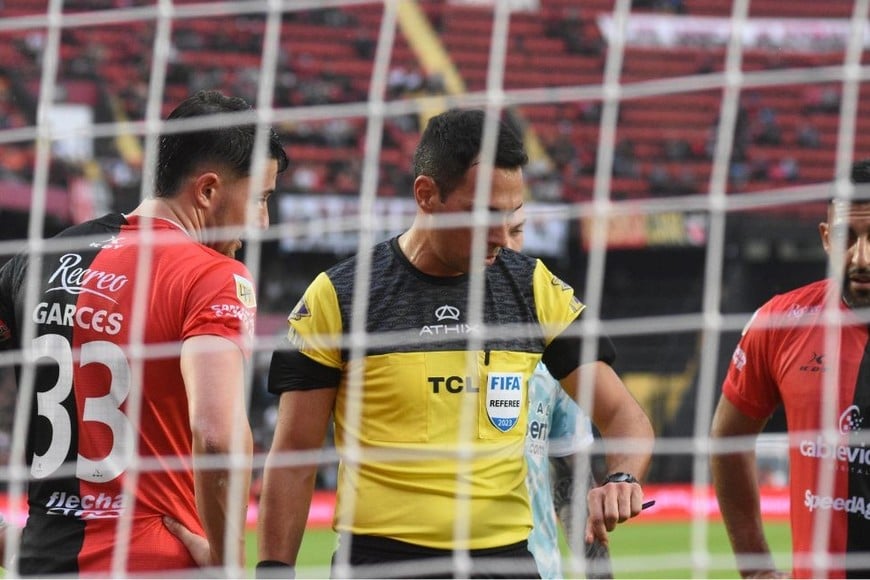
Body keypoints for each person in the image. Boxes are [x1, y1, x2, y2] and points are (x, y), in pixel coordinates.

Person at [258, 108, 654, 578]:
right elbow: (294, 456)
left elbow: (624, 416)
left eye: (510, 214)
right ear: (426, 195)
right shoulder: (339, 296)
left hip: (504, 563)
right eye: (484, 213)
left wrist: (622, 477)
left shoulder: (533, 288)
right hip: (380, 565)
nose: (502, 237)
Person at [0, 89, 288, 575]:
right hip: (153, 562)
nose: (262, 220)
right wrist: (228, 563)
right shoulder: (212, 273)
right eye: (260, 198)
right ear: (208, 190)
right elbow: (217, 436)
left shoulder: (40, 258)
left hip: (43, 559)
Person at [711, 159, 870, 579]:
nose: (862, 257)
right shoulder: (781, 321)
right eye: (846, 237)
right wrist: (757, 569)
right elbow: (727, 439)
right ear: (824, 238)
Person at [507, 208, 612, 579]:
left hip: (540, 570)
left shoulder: (553, 345)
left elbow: (572, 474)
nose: (505, 243)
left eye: (516, 231)